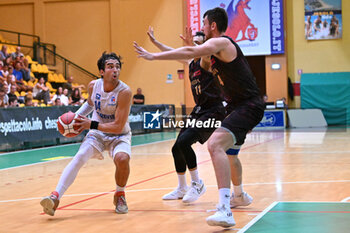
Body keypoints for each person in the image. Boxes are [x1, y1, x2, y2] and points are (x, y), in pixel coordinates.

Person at [134, 7, 264, 227]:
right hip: (235, 106)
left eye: (204, 24)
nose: (202, 28)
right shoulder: (210, 55)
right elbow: (190, 55)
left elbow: (189, 53)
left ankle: (224, 209)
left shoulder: (221, 43)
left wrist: (154, 56)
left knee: (214, 145)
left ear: (212, 25)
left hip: (247, 105)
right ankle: (239, 195)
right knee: (230, 154)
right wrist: (174, 47)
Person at [40, 52, 132, 216]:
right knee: (80, 156)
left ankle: (119, 194)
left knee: (122, 159)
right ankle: (55, 198)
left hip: (119, 135)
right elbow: (90, 104)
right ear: (102, 72)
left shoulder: (124, 92)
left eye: (118, 67)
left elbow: (118, 126)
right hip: (97, 133)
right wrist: (75, 118)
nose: (115, 70)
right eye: (110, 66)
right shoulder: (93, 86)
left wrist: (91, 124)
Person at [146, 26, 225, 202]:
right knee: (176, 148)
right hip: (200, 110)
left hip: (213, 110)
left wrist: (196, 45)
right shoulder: (191, 63)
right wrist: (155, 42)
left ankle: (197, 184)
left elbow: (204, 53)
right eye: (194, 44)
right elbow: (172, 52)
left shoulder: (207, 60)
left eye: (199, 44)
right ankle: (182, 187)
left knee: (184, 142)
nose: (195, 47)